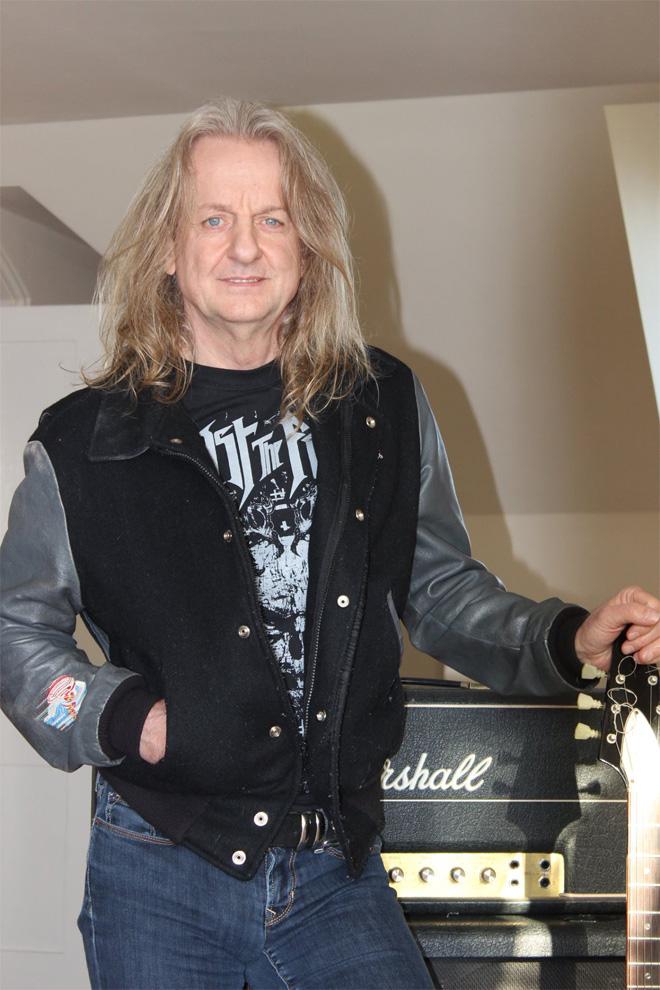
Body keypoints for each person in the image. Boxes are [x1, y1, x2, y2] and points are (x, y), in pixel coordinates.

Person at [1, 97, 658, 990]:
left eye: (273, 219)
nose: (245, 247)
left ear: (307, 248)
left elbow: (441, 592)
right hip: (157, 867)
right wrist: (129, 720)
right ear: (167, 249)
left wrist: (567, 637)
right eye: (214, 219)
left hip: (333, 869)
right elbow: (16, 632)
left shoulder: (382, 405)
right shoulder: (81, 442)